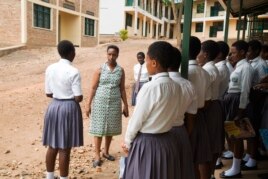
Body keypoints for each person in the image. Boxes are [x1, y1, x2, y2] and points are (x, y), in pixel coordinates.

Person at [122, 41, 184, 179]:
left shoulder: (150, 87)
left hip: (147, 143)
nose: (146, 64)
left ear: (154, 63)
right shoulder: (177, 87)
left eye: (147, 60)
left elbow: (137, 119)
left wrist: (127, 141)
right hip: (167, 142)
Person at [43, 40, 83, 179]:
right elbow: (78, 97)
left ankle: (49, 176)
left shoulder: (50, 68)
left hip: (54, 107)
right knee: (65, 147)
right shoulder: (73, 71)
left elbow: (48, 93)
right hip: (68, 108)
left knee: (52, 145)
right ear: (72, 53)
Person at [86, 45, 129, 168]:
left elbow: (122, 89)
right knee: (98, 128)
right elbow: (93, 88)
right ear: (106, 54)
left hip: (115, 103)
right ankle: (97, 155)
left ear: (117, 55)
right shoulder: (99, 70)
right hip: (100, 102)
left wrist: (125, 105)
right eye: (109, 54)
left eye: (114, 54)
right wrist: (88, 105)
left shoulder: (121, 71)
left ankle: (106, 152)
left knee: (110, 128)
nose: (111, 57)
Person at [220, 40, 254, 178]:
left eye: (234, 53)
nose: (231, 56)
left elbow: (245, 90)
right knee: (232, 134)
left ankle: (236, 168)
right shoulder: (238, 66)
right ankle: (235, 164)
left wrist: (240, 110)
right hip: (232, 99)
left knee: (237, 135)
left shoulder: (245, 67)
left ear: (242, 52)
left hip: (237, 101)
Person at [169, 47, 197, 179]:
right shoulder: (188, 85)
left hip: (161, 134)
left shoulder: (156, 85)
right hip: (181, 131)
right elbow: (191, 118)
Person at [197, 40, 223, 179]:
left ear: (205, 54)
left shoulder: (207, 70)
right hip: (213, 106)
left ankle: (209, 175)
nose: (198, 55)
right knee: (211, 145)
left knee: (206, 147)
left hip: (209, 108)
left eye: (200, 52)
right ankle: (211, 174)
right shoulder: (211, 68)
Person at [187, 36, 212, 179]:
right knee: (199, 158)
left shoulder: (183, 71)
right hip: (200, 116)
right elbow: (208, 101)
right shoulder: (205, 72)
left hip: (185, 119)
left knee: (187, 159)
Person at [241, 40, 268, 170]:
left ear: (257, 51)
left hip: (257, 100)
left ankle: (253, 157)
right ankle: (250, 154)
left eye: (250, 51)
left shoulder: (261, 64)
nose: (247, 53)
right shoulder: (250, 63)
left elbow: (263, 84)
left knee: (255, 127)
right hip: (251, 99)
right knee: (249, 126)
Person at [214, 41, 231, 169]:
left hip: (218, 101)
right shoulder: (222, 67)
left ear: (218, 54)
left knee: (215, 132)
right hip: (220, 101)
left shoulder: (220, 68)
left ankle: (217, 160)